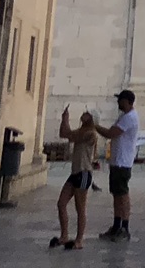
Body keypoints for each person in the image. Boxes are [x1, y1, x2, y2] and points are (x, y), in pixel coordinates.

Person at [52, 106, 99, 250]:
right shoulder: (81, 131)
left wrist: (66, 120)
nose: (83, 114)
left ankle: (79, 240)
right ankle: (64, 235)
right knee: (61, 203)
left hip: (84, 172)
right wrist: (64, 119)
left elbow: (69, 135)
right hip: (74, 173)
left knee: (80, 208)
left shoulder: (91, 134)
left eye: (87, 113)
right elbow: (63, 133)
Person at [99, 89, 141, 242]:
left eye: (120, 100)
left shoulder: (129, 118)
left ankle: (124, 226)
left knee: (122, 195)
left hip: (123, 162)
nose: (118, 102)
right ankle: (117, 225)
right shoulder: (124, 116)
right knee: (117, 194)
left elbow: (111, 133)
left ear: (127, 101)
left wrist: (95, 126)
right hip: (117, 161)